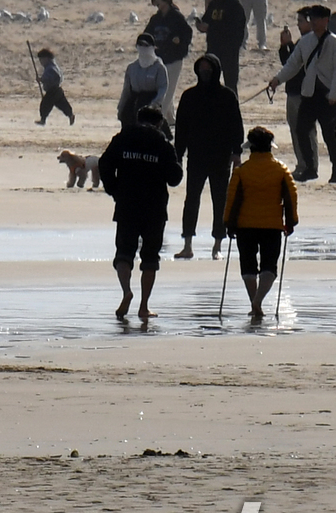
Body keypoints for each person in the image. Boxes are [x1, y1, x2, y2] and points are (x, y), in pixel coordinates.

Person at [99, 105, 183, 323]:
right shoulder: (163, 144)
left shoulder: (123, 138)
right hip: (154, 208)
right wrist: (177, 161)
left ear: (138, 119)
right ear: (158, 123)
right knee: (150, 258)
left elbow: (104, 163)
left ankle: (126, 291)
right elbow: (174, 178)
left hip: (127, 203)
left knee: (124, 254)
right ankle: (144, 307)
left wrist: (114, 189)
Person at [173, 53, 244, 260]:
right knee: (191, 200)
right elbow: (181, 129)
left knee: (220, 200)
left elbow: (236, 126)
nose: (204, 72)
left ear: (216, 71)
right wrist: (178, 155)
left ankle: (218, 245)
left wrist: (237, 152)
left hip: (220, 157)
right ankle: (187, 244)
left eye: (208, 69)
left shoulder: (227, 96)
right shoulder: (189, 96)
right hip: (196, 156)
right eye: (201, 69)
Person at [224, 127, 298, 320]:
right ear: (270, 147)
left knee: (248, 266)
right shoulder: (281, 170)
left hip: (245, 225)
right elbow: (291, 197)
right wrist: (291, 222)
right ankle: (258, 301)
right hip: (272, 225)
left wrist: (228, 224)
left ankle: (254, 302)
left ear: (251, 148)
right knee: (269, 266)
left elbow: (231, 199)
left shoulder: (242, 171)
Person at [268, 5, 336, 183]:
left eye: (317, 19)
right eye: (311, 19)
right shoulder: (305, 42)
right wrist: (277, 80)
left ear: (326, 21)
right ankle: (310, 168)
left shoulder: (334, 42)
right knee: (301, 130)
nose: (313, 22)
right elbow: (293, 64)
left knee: (329, 134)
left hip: (328, 96)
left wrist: (335, 93)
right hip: (309, 94)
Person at [278, 9, 318, 177]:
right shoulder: (303, 41)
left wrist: (288, 45)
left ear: (309, 22)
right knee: (295, 129)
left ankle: (310, 165)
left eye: (301, 21)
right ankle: (303, 163)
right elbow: (289, 64)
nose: (298, 24)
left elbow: (297, 64)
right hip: (293, 91)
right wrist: (285, 45)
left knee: (306, 130)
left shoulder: (312, 40)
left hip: (304, 93)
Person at [145, 0, 192, 125]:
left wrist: (180, 41)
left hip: (174, 59)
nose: (156, 3)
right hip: (159, 59)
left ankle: (158, 120)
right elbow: (147, 34)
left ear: (166, 0)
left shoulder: (177, 17)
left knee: (167, 90)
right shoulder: (156, 19)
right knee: (162, 88)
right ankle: (170, 119)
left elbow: (187, 33)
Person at [195, 0, 248, 91]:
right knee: (209, 81)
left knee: (230, 84)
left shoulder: (235, 5)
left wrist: (211, 28)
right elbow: (207, 20)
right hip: (213, 48)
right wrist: (200, 25)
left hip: (229, 50)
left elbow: (234, 28)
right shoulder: (213, 4)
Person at [116, 34, 169, 129]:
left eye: (146, 46)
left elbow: (163, 88)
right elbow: (126, 90)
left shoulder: (159, 68)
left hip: (150, 105)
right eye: (140, 45)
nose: (143, 48)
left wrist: (154, 105)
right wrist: (121, 107)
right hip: (133, 104)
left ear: (153, 47)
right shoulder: (132, 67)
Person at [35, 47, 75, 126]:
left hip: (52, 91)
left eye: (41, 60)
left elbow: (54, 76)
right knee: (62, 104)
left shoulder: (50, 68)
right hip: (57, 90)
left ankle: (43, 120)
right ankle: (70, 115)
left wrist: (42, 79)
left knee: (45, 104)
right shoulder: (52, 66)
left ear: (46, 58)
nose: (40, 62)